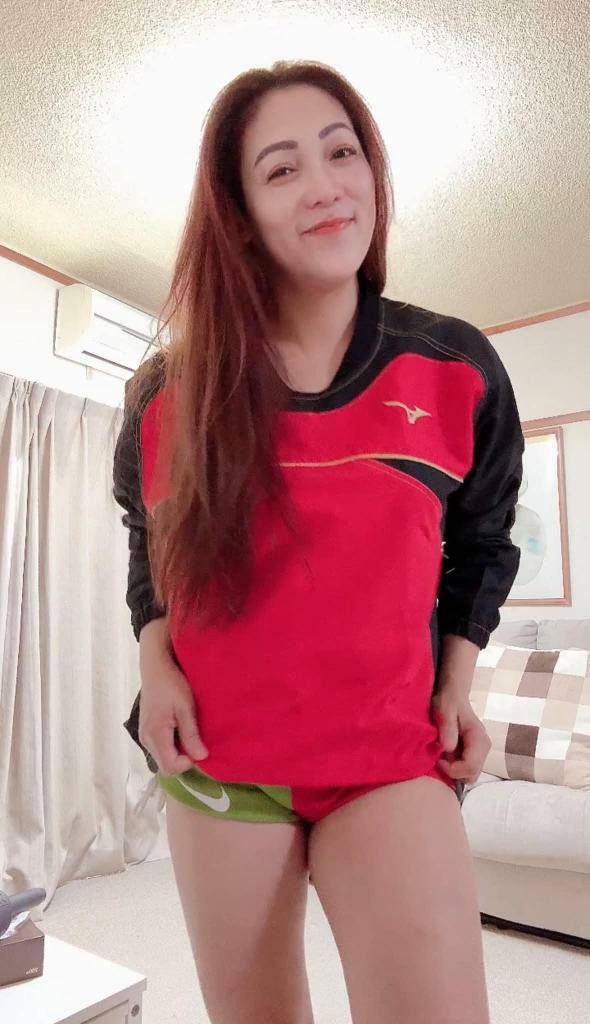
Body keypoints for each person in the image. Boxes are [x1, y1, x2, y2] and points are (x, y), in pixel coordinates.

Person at [113, 60, 524, 1024]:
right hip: (220, 759)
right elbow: (150, 538)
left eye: (343, 153)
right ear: (240, 214)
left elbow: (485, 540)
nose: (326, 185)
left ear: (374, 174)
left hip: (388, 756)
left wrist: (457, 680)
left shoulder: (455, 367)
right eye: (282, 168)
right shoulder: (168, 393)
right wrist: (154, 660)